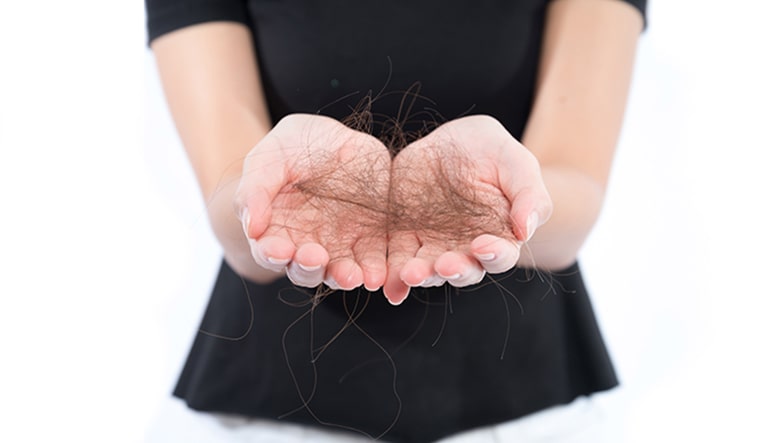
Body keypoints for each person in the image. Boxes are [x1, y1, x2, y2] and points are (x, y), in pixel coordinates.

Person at [145, 0, 646, 441]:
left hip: (530, 410)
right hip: (272, 411)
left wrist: (508, 199)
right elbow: (233, 214)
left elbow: (573, 201)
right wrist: (269, 201)